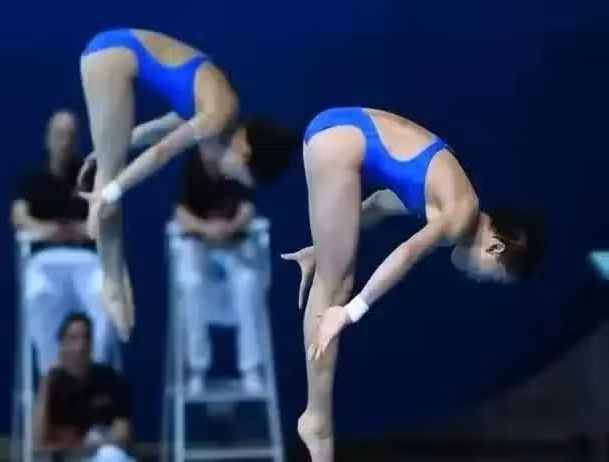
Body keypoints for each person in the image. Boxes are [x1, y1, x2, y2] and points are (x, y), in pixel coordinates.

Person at [281, 107, 545, 462]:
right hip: (339, 140)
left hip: (338, 130)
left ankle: (317, 420)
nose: (478, 279)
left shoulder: (450, 194)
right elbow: (406, 254)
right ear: (495, 248)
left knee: (334, 275)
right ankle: (316, 421)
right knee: (336, 289)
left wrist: (322, 247)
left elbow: (377, 205)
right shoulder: (460, 216)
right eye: (491, 276)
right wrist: (351, 312)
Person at [77, 28, 296, 339]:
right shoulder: (219, 113)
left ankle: (113, 276)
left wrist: (108, 148)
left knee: (110, 173)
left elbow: (157, 131)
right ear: (245, 152)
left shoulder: (219, 110)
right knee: (109, 186)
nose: (228, 177)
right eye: (237, 175)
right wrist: (111, 191)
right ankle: (111, 282)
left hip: (114, 52)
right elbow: (162, 152)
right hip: (110, 56)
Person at [11, 110, 120, 373]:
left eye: (70, 136)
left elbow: (108, 213)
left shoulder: (91, 179)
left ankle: (93, 379)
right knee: (38, 296)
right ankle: (52, 377)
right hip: (45, 262)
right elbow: (19, 216)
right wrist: (47, 230)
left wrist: (81, 230)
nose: (65, 142)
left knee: (105, 299)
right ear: (47, 139)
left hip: (87, 262)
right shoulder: (33, 181)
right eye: (59, 135)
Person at [174, 147, 264, 396]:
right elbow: (181, 214)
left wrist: (230, 227)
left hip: (234, 247)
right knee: (191, 285)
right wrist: (205, 229)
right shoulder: (191, 169)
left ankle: (250, 369)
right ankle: (197, 369)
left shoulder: (238, 165)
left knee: (248, 284)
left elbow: (248, 209)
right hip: (200, 248)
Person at [33, 312, 133, 462]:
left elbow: (122, 434)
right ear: (62, 344)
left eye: (86, 338)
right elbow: (38, 445)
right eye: (73, 338)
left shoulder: (110, 379)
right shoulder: (53, 383)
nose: (81, 346)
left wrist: (95, 442)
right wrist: (45, 383)